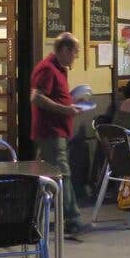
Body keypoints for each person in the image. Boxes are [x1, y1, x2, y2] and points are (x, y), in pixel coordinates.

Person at [31, 33, 91, 238]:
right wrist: (65, 110)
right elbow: (36, 97)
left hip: (56, 130)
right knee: (61, 174)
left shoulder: (58, 68)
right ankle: (72, 218)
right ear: (65, 50)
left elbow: (54, 97)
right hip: (51, 131)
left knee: (45, 175)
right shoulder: (47, 68)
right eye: (75, 53)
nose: (76, 57)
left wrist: (71, 101)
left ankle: (32, 216)